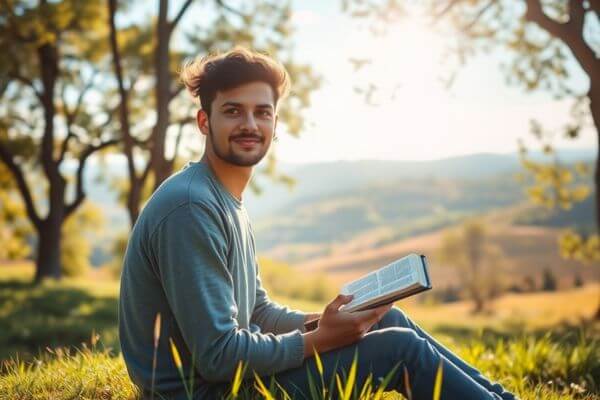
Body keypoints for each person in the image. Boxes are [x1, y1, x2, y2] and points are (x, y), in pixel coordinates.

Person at [118, 46, 517, 400]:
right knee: (399, 349)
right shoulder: (192, 207)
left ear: (275, 127)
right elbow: (219, 358)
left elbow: (256, 312)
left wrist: (327, 320)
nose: (250, 125)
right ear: (205, 122)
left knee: (386, 319)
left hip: (228, 380)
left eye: (263, 112)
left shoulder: (225, 198)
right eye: (233, 111)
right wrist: (321, 338)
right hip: (207, 392)